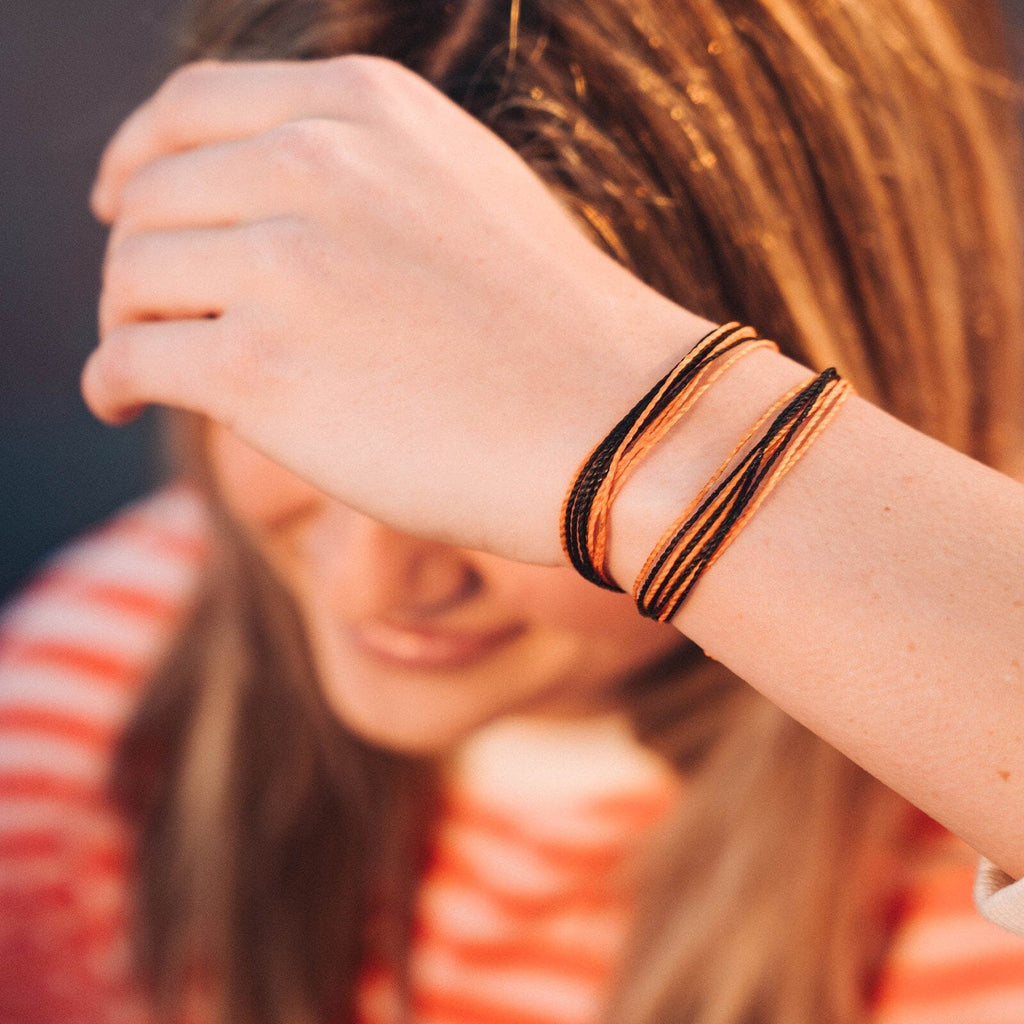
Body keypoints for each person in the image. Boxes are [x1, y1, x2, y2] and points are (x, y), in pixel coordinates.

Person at [4, 0, 1024, 1022]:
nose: (372, 580)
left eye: (524, 473)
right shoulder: (86, 725)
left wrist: (662, 416)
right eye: (306, 408)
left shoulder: (960, 858)